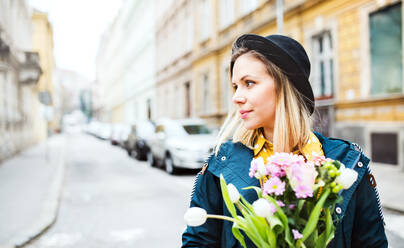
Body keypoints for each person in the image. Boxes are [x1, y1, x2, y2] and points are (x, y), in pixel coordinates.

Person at [181, 34, 388, 247]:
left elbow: (373, 244)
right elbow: (197, 243)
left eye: (249, 83)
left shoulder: (347, 162)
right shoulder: (221, 165)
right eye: (236, 86)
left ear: (285, 86)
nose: (236, 97)